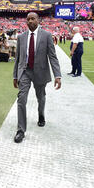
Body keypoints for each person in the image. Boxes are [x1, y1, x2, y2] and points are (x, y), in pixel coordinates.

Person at [13, 12, 62, 144]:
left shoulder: (46, 36)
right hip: (25, 71)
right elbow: (17, 59)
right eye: (28, 19)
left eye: (33, 19)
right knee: (21, 99)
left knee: (41, 97)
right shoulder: (21, 37)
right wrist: (15, 76)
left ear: (38, 20)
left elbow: (52, 56)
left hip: (40, 72)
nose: (30, 21)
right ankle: (21, 130)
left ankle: (41, 114)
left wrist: (57, 75)